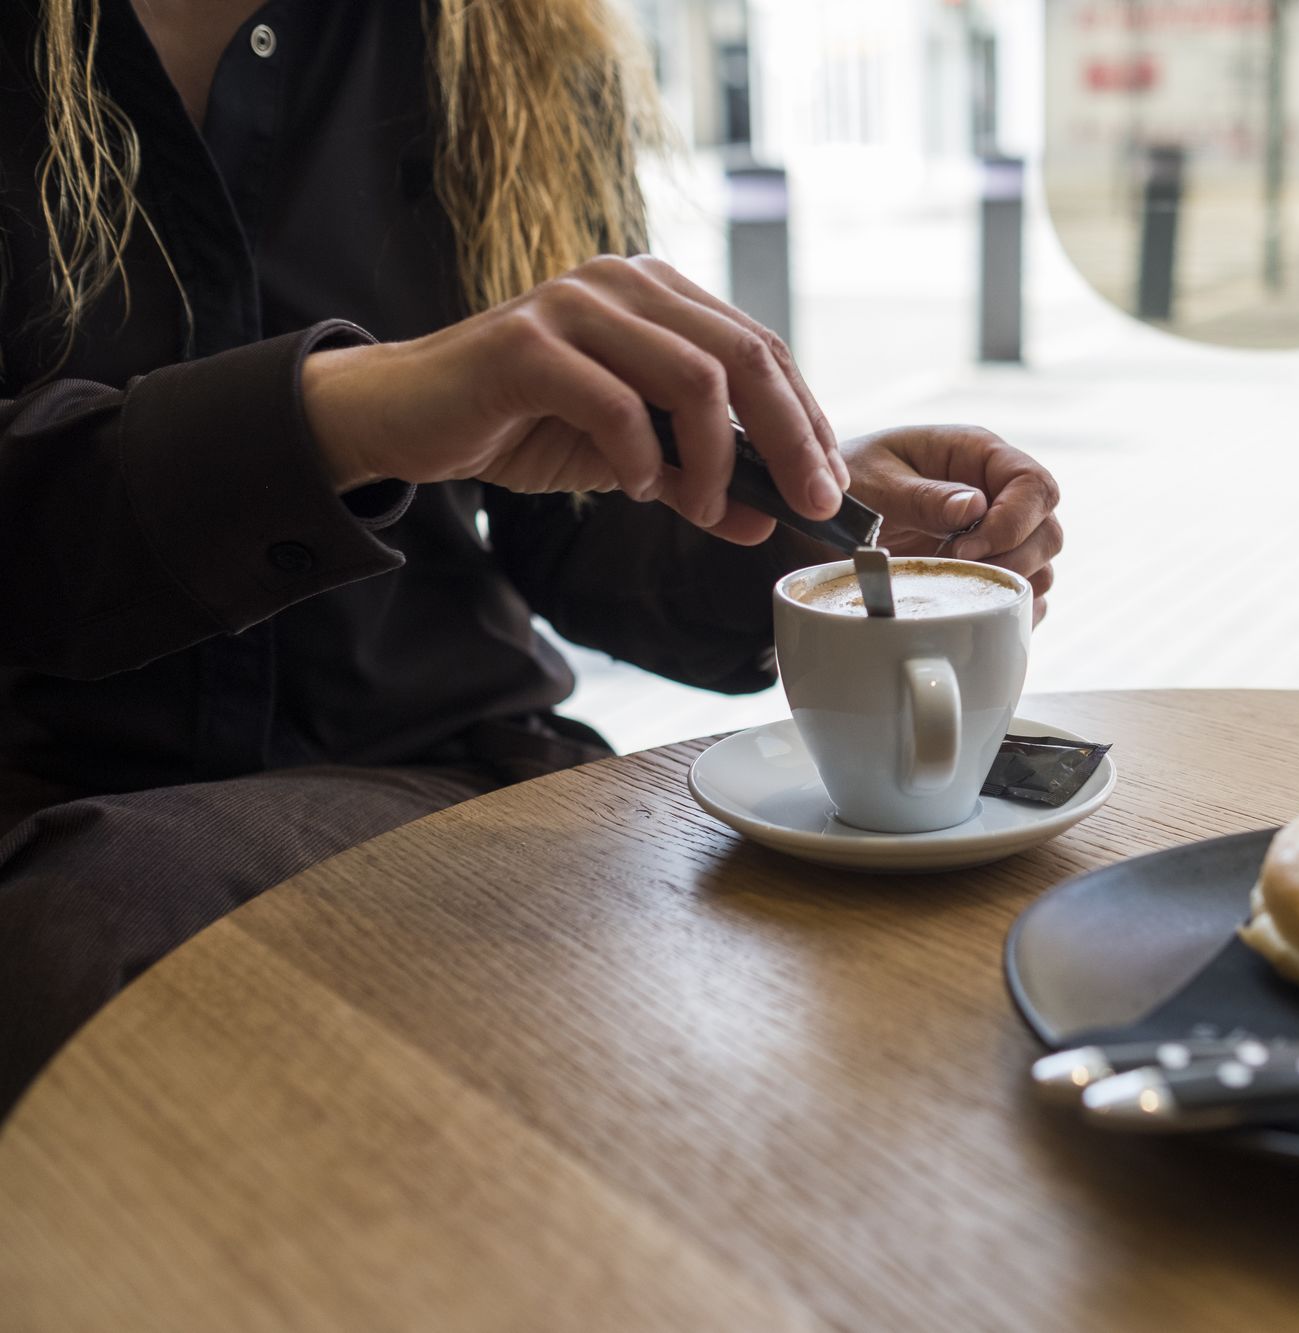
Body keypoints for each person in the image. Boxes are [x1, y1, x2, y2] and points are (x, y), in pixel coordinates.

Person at [0, 0, 1063, 1113]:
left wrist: (823, 527)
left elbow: (574, 531)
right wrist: (339, 418)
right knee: (77, 932)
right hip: (49, 813)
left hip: (436, 783)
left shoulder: (515, 41)